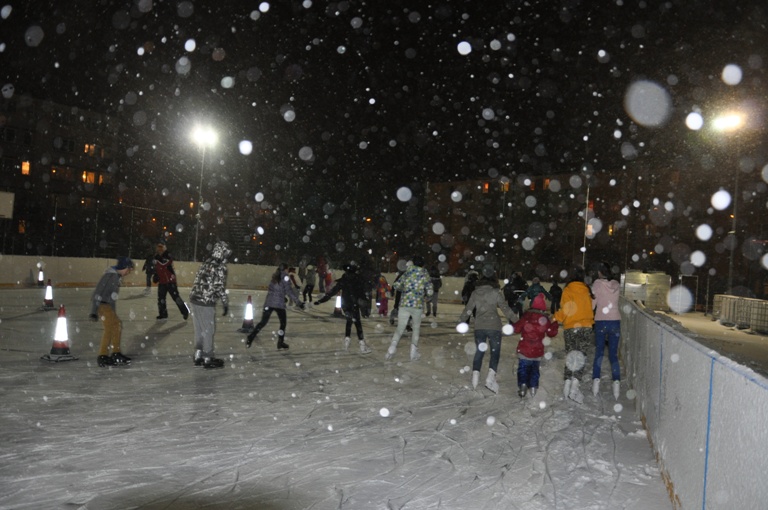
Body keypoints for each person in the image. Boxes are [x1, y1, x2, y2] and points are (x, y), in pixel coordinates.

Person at [457, 270, 517, 393]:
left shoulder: (475, 293)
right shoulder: (495, 292)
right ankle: (490, 378)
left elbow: (468, 309)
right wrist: (517, 320)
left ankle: (475, 378)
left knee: (479, 352)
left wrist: (461, 320)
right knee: (495, 353)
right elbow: (505, 309)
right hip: (494, 327)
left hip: (479, 326)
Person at [553, 266, 595, 403]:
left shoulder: (568, 289)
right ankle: (574, 387)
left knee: (571, 356)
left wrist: (555, 317)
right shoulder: (586, 289)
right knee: (580, 357)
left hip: (571, 328)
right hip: (586, 327)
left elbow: (565, 310)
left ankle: (567, 384)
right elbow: (590, 308)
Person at [188, 241, 231, 369]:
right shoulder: (220, 267)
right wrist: (225, 302)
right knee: (208, 330)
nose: (226, 256)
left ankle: (198, 355)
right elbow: (219, 286)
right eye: (225, 253)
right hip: (206, 302)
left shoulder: (205, 263)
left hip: (194, 299)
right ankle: (207, 358)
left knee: (199, 329)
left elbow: (197, 280)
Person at [314, 261, 373, 353]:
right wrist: (365, 304)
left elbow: (333, 291)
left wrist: (321, 300)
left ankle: (346, 343)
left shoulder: (344, 279)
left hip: (345, 304)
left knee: (349, 321)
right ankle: (362, 346)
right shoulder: (358, 279)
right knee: (357, 323)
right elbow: (362, 293)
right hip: (354, 304)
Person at [385, 256, 433, 362]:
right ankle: (413, 352)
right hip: (417, 305)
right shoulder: (424, 273)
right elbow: (430, 290)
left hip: (404, 304)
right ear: (422, 264)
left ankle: (392, 347)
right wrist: (427, 294)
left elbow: (396, 285)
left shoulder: (407, 272)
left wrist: (405, 289)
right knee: (416, 328)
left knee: (400, 328)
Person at [89, 257, 134, 367]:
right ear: (123, 267)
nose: (128, 272)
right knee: (109, 328)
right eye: (128, 269)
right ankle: (103, 356)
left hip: (107, 306)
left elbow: (112, 298)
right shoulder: (110, 276)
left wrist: (113, 312)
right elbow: (98, 292)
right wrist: (94, 311)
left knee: (116, 325)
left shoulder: (116, 277)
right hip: (102, 305)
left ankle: (115, 353)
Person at [246, 264, 304, 350]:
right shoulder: (285, 277)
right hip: (279, 304)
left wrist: (282, 297)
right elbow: (289, 291)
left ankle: (251, 337)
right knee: (283, 324)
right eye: (287, 269)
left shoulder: (274, 277)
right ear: (285, 269)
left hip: (269, 303)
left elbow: (273, 290)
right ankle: (280, 342)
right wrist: (298, 302)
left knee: (263, 322)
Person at [512, 293, 559, 398]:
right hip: (537, 350)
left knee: (523, 369)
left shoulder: (526, 316)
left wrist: (515, 323)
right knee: (534, 370)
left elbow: (516, 329)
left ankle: (523, 386)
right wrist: (554, 323)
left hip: (524, 349)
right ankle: (533, 388)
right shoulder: (544, 319)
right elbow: (551, 333)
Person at [591, 262, 622, 400]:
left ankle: (596, 384)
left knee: (599, 352)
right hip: (615, 321)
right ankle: (616, 384)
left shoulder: (597, 284)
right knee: (613, 354)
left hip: (601, 321)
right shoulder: (616, 284)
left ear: (600, 272)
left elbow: (592, 304)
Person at [154, 241, 189, 321]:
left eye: (161, 247)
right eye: (158, 248)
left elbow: (164, 263)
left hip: (170, 281)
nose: (159, 249)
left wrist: (157, 258)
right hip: (162, 282)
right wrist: (156, 275)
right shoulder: (156, 257)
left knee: (176, 297)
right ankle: (163, 314)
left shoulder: (168, 255)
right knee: (161, 299)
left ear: (164, 248)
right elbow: (157, 267)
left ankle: (185, 311)